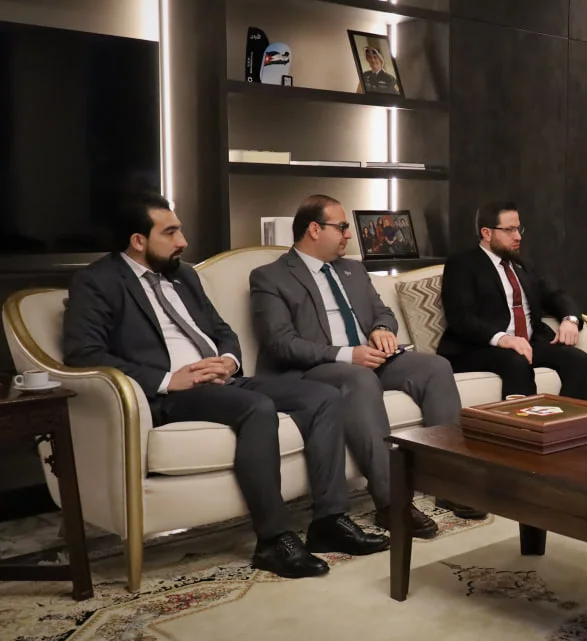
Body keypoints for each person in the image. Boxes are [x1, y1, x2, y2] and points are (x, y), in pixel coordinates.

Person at [62, 193, 388, 579]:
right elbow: (84, 354)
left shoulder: (184, 275)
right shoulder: (97, 282)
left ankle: (329, 521)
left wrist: (229, 360)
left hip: (224, 379)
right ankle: (273, 540)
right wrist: (169, 379)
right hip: (170, 394)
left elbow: (222, 331)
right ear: (138, 240)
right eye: (170, 232)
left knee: (324, 398)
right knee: (257, 409)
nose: (183, 241)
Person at [249, 194, 484, 539]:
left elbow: (382, 311)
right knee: (359, 379)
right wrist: (348, 355)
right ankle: (392, 503)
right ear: (314, 229)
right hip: (315, 368)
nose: (349, 234)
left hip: (370, 358)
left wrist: (382, 329)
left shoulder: (353, 269)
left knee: (435, 368)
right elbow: (281, 343)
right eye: (342, 226)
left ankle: (449, 485)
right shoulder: (270, 277)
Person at [437, 201, 587, 401]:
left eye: (518, 229)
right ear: (487, 233)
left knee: (578, 360)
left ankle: (567, 419)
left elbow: (555, 295)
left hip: (527, 343)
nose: (518, 236)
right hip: (479, 348)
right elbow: (461, 318)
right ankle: (524, 421)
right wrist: (504, 339)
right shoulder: (462, 264)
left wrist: (570, 319)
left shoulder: (522, 265)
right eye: (510, 230)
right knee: (517, 361)